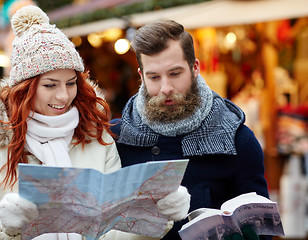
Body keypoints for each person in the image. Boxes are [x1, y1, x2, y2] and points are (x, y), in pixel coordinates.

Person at [0, 7, 190, 240]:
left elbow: (111, 232)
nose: (63, 96)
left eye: (70, 83)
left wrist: (155, 215)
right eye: (50, 85)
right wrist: (5, 226)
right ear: (24, 90)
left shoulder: (97, 140)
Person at [110, 19, 271, 240]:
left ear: (194, 68)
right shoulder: (116, 138)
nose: (166, 88)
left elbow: (261, 230)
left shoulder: (238, 140)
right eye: (154, 77)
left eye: (175, 73)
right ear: (141, 76)